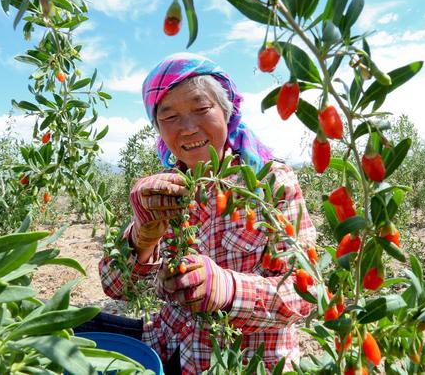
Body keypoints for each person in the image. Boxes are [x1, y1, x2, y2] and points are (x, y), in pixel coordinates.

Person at [96, 53, 317, 374]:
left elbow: (306, 293)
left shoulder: (271, 182)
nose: (187, 128)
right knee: (69, 329)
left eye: (201, 109)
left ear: (226, 113)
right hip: (169, 347)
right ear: (158, 128)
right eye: (169, 117)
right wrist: (143, 235)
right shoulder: (165, 191)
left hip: (247, 362)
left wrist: (227, 288)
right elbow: (117, 288)